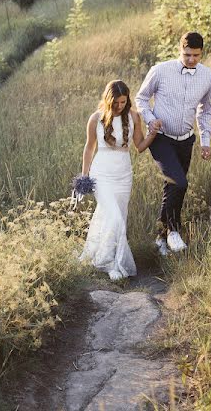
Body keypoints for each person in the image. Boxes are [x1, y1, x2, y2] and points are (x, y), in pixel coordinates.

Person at [135, 32, 211, 255]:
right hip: (161, 138)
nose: (191, 60)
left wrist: (205, 141)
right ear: (180, 50)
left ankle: (160, 240)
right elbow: (140, 98)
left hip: (186, 139)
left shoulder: (207, 76)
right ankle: (173, 231)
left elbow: (206, 109)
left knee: (173, 186)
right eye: (187, 54)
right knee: (179, 183)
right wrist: (150, 121)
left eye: (196, 56)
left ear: (201, 53)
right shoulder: (160, 70)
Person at [79, 80, 159, 280]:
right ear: (108, 100)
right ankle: (108, 264)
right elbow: (89, 148)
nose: (119, 106)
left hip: (123, 174)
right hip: (102, 173)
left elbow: (139, 146)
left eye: (123, 102)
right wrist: (84, 177)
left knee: (118, 218)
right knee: (113, 216)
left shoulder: (133, 117)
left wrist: (153, 134)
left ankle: (112, 258)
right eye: (116, 103)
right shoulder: (95, 119)